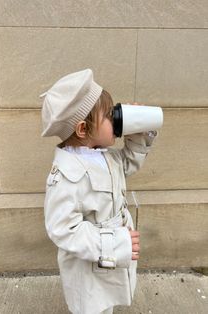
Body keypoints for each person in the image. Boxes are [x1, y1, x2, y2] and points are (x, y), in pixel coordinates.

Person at [41, 69, 157, 314]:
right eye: (108, 115)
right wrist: (114, 243)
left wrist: (137, 131)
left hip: (111, 257)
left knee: (106, 304)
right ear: (83, 129)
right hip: (91, 262)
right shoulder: (66, 176)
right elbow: (63, 228)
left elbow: (127, 164)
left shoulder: (104, 156)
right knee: (91, 306)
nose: (115, 118)